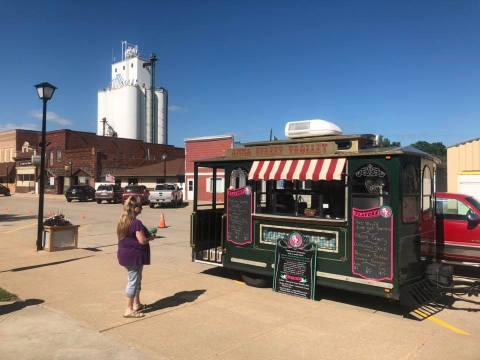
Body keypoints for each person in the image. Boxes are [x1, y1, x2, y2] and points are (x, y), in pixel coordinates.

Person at [117, 196, 153, 318]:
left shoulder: (123, 220)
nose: (142, 208)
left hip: (125, 255)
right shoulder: (136, 223)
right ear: (135, 208)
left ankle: (136, 304)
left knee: (137, 279)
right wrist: (150, 238)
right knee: (133, 281)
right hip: (133, 256)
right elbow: (142, 241)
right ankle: (129, 309)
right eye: (140, 206)